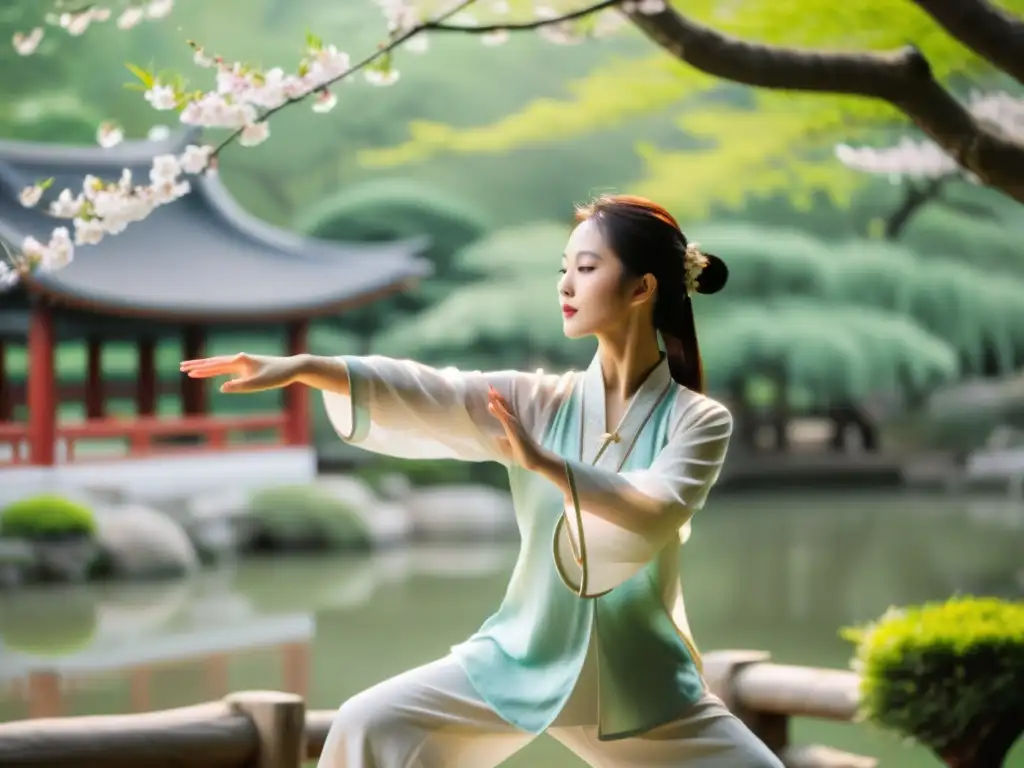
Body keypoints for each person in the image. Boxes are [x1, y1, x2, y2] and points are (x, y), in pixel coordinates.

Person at [180, 194, 783, 768]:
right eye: (563, 268)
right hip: (524, 655)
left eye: (586, 267)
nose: (565, 285)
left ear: (642, 288)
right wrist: (307, 368)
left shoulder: (699, 419)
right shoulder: (539, 400)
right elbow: (430, 387)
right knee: (371, 722)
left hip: (640, 677)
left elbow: (658, 509)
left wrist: (545, 464)